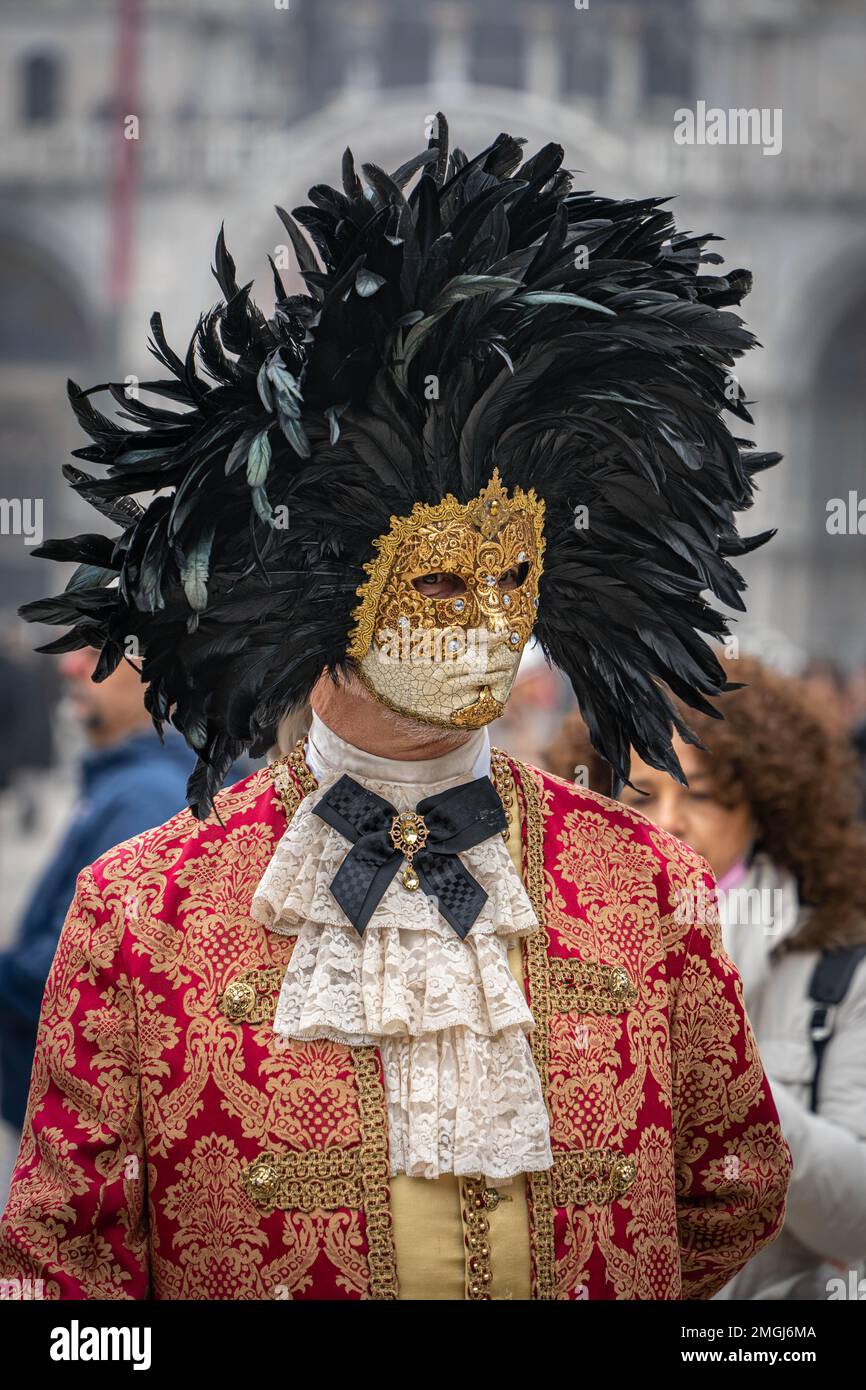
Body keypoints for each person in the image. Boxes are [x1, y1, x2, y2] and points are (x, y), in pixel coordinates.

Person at [0, 116, 791, 1300]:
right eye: (434, 578)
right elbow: (60, 1275)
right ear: (314, 585)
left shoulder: (646, 889)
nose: (485, 620)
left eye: (514, 575)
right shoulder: (141, 914)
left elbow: (730, 1184)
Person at [546, 653, 866, 1299]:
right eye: (643, 793)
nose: (666, 822)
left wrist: (723, 1076)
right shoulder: (558, 952)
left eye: (703, 796)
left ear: (766, 806)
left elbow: (856, 1219)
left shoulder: (836, 967)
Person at [0, 646, 199, 1137]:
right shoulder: (127, 782)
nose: (70, 666)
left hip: (80, 1113)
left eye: (97, 653)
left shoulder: (144, 798)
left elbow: (85, 970)